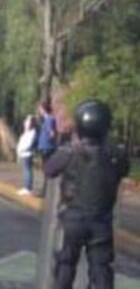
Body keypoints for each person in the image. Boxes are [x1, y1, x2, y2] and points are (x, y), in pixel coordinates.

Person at [45, 100, 129, 289]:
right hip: (101, 221)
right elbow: (124, 169)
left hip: (73, 218)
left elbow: (49, 169)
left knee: (65, 265)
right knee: (101, 270)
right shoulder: (116, 156)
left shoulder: (69, 152)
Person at [37, 102, 59, 196]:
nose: (39, 111)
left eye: (40, 109)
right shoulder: (47, 119)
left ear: (43, 109)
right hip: (45, 146)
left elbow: (52, 133)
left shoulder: (49, 119)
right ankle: (45, 190)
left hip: (47, 147)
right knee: (45, 168)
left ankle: (45, 191)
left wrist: (50, 138)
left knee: (46, 169)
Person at [16, 116, 37, 196]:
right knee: (25, 171)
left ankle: (28, 188)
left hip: (27, 154)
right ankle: (26, 187)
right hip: (23, 154)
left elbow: (28, 144)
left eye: (27, 121)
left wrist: (21, 150)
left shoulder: (32, 133)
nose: (25, 123)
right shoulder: (26, 132)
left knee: (27, 171)